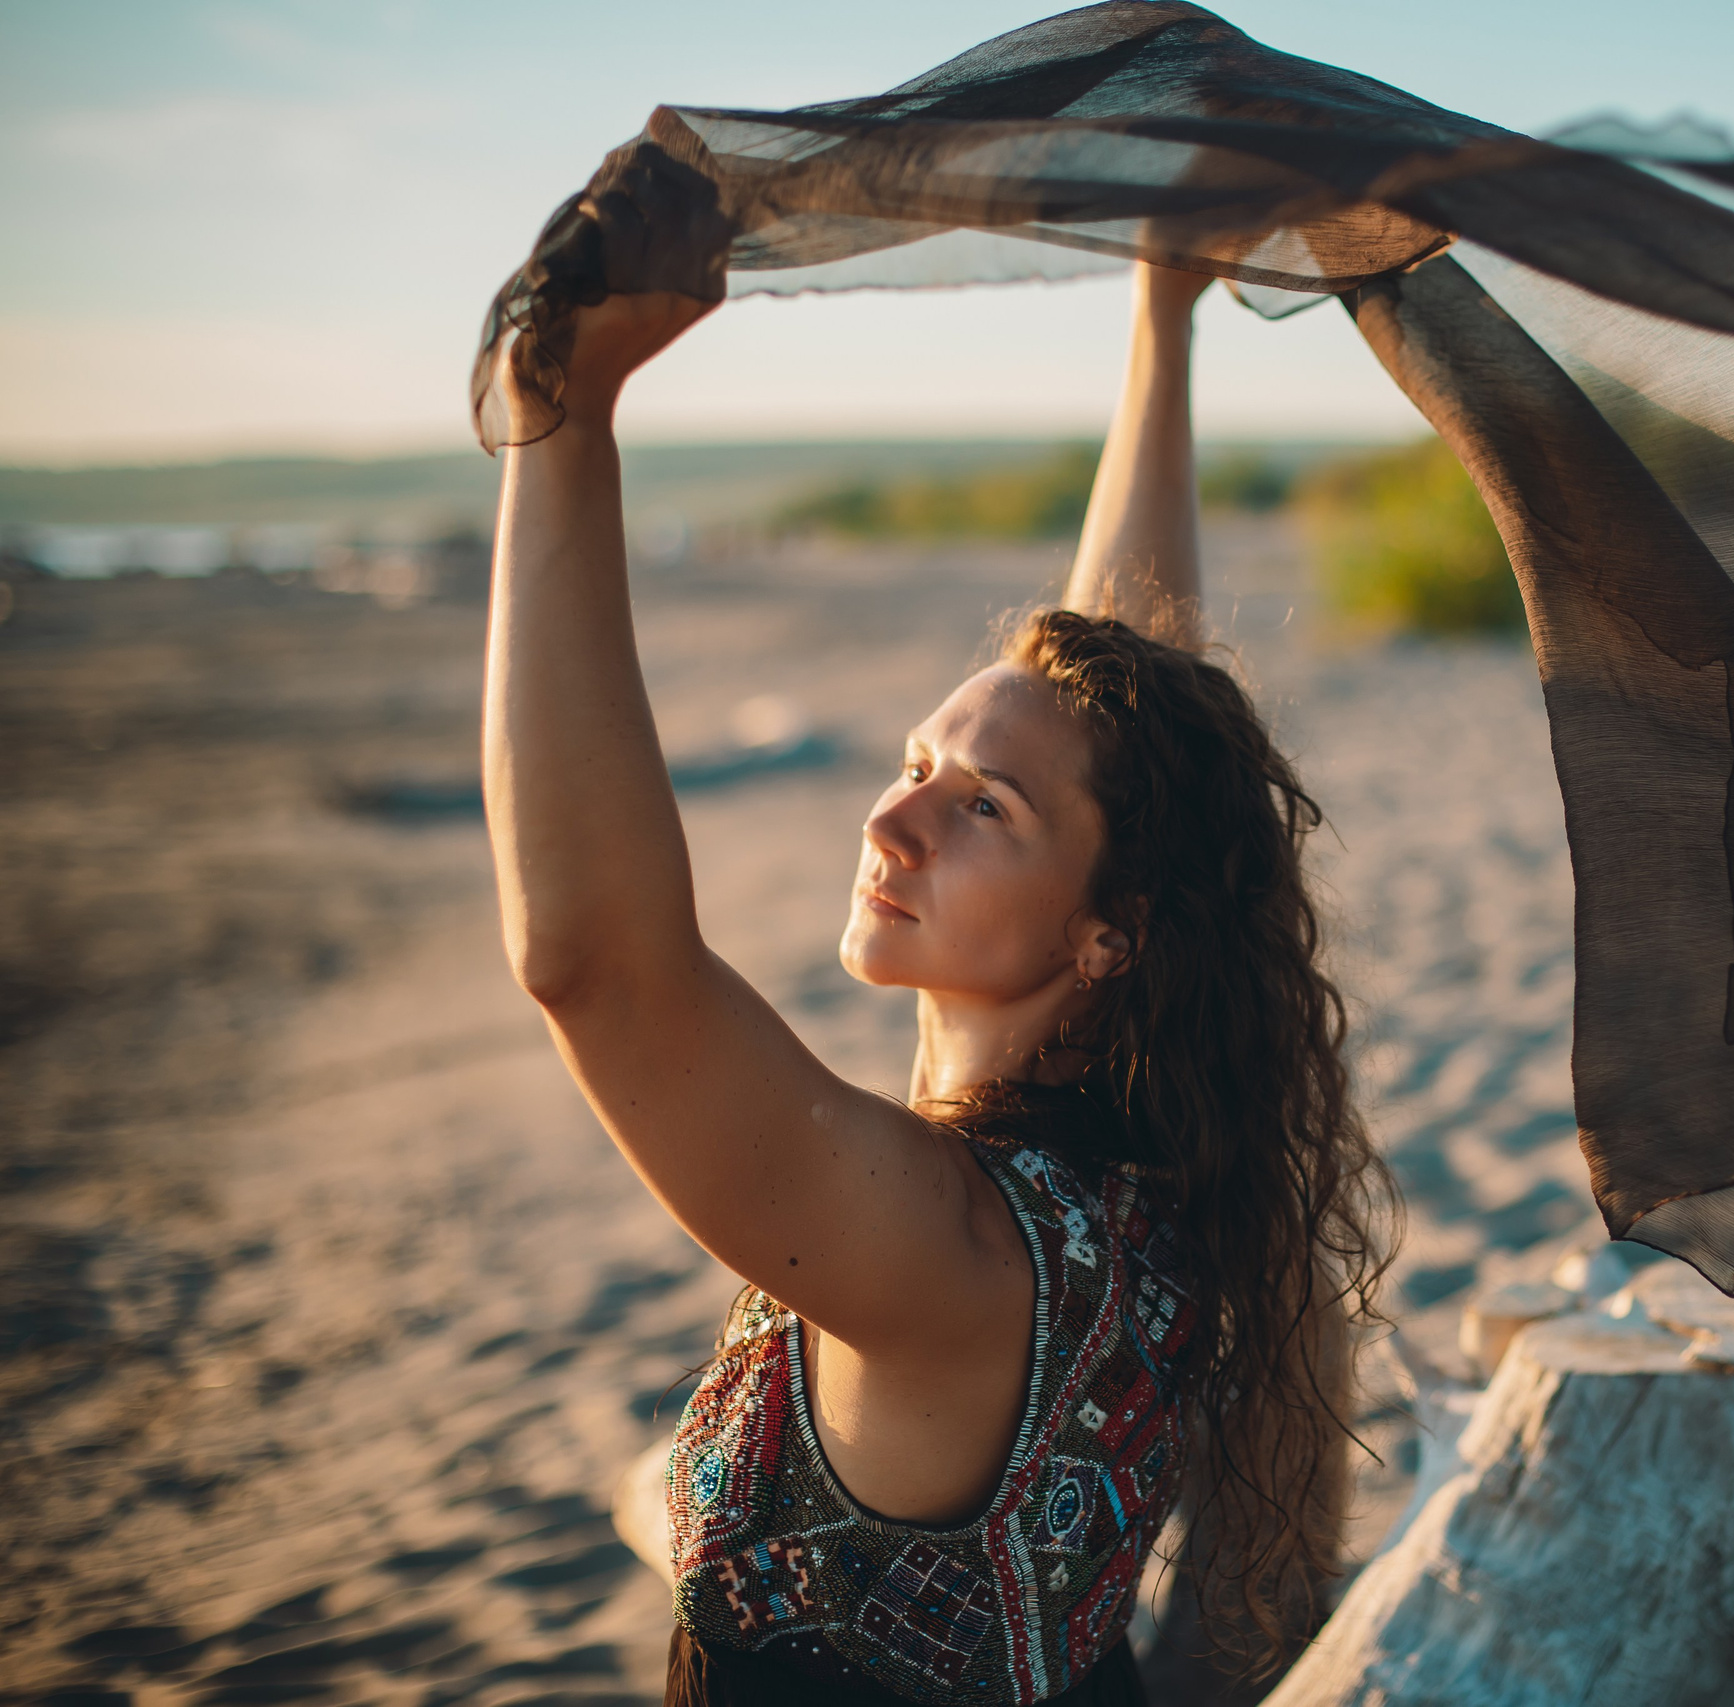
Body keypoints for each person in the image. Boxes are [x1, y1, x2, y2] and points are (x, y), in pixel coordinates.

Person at [483, 260, 1396, 1706]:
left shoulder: (945, 1245)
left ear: (1111, 935)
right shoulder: (1164, 1192)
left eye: (979, 809)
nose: (890, 820)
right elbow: (1124, 727)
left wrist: (562, 422)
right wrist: (1162, 318)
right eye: (915, 766)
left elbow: (595, 965)